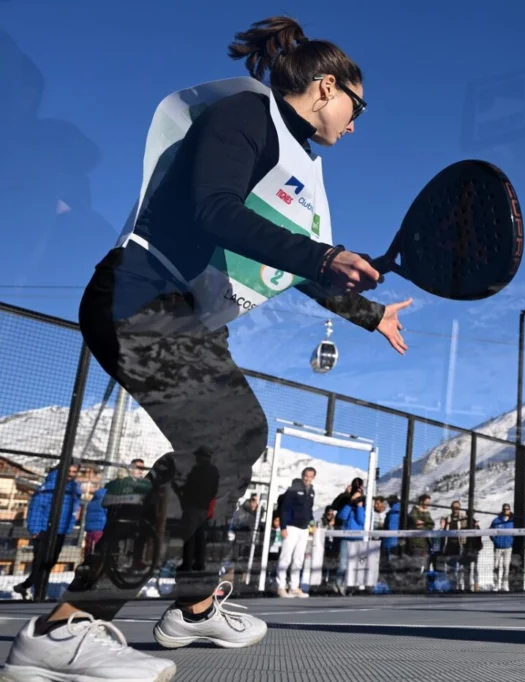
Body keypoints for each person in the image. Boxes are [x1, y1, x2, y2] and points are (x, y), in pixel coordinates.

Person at [2, 16, 413, 682]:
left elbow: (285, 262)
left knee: (238, 437)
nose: (356, 123)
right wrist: (327, 253)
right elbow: (213, 211)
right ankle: (65, 625)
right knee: (219, 442)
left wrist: (364, 310)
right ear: (326, 86)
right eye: (356, 107)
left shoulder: (291, 161)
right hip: (138, 301)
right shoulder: (245, 115)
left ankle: (193, 602)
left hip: (179, 317)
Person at [14, 464, 82, 601]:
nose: (72, 474)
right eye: (69, 470)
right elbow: (36, 508)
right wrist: (35, 530)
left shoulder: (74, 488)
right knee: (41, 561)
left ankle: (26, 585)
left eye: (74, 471)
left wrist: (68, 527)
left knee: (51, 560)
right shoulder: (50, 485)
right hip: (44, 529)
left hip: (60, 530)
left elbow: (74, 509)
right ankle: (39, 594)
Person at [277, 468, 317, 598]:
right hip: (291, 527)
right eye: (306, 476)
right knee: (286, 557)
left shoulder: (311, 492)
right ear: (302, 476)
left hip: (304, 529)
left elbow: (310, 510)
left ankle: (294, 587)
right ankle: (281, 586)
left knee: (299, 559)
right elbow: (285, 509)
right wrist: (283, 527)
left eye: (310, 477)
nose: (307, 478)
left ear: (313, 478)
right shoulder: (293, 489)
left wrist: (312, 524)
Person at [490, 504, 514, 592]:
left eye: (507, 509)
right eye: (504, 509)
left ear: (510, 510)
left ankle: (505, 585)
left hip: (508, 547)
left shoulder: (512, 521)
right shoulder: (496, 521)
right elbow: (490, 532)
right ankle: (496, 585)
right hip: (498, 547)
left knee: (506, 566)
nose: (506, 511)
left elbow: (516, 533)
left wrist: (511, 542)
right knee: (496, 566)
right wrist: (495, 540)